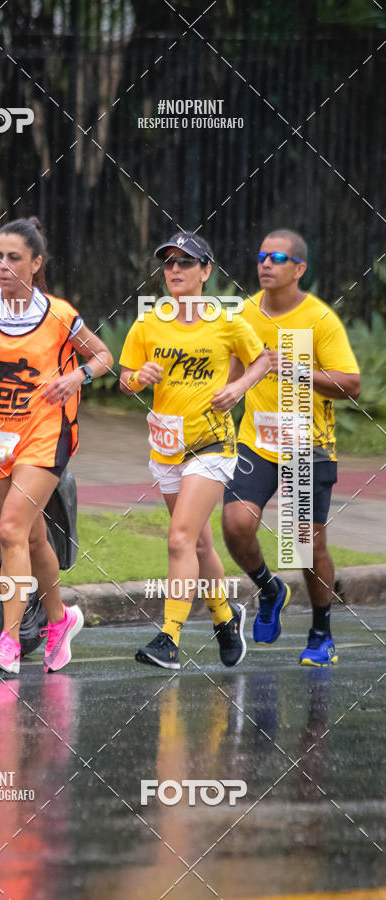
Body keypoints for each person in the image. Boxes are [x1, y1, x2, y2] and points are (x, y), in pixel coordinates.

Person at [0, 216, 113, 674]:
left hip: (43, 435)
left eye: (14, 257)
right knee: (33, 537)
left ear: (36, 264)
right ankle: (60, 619)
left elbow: (104, 357)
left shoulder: (58, 315)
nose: (2, 265)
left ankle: (9, 642)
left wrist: (77, 375)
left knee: (11, 529)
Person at [119, 231, 269, 670]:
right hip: (166, 445)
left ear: (207, 271)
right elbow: (125, 378)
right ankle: (225, 617)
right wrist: (139, 377)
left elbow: (262, 359)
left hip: (213, 445)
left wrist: (238, 387)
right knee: (200, 546)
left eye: (186, 263)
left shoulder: (225, 321)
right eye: (169, 263)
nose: (175, 271)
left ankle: (169, 638)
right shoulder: (149, 322)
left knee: (180, 537)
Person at [222, 229, 361, 666]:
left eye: (277, 257)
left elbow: (352, 384)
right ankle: (269, 588)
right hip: (256, 443)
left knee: (304, 546)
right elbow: (231, 376)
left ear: (299, 269)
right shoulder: (244, 314)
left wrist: (298, 371)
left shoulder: (320, 319)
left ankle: (321, 631)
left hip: (306, 446)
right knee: (235, 524)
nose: (265, 264)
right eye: (262, 255)